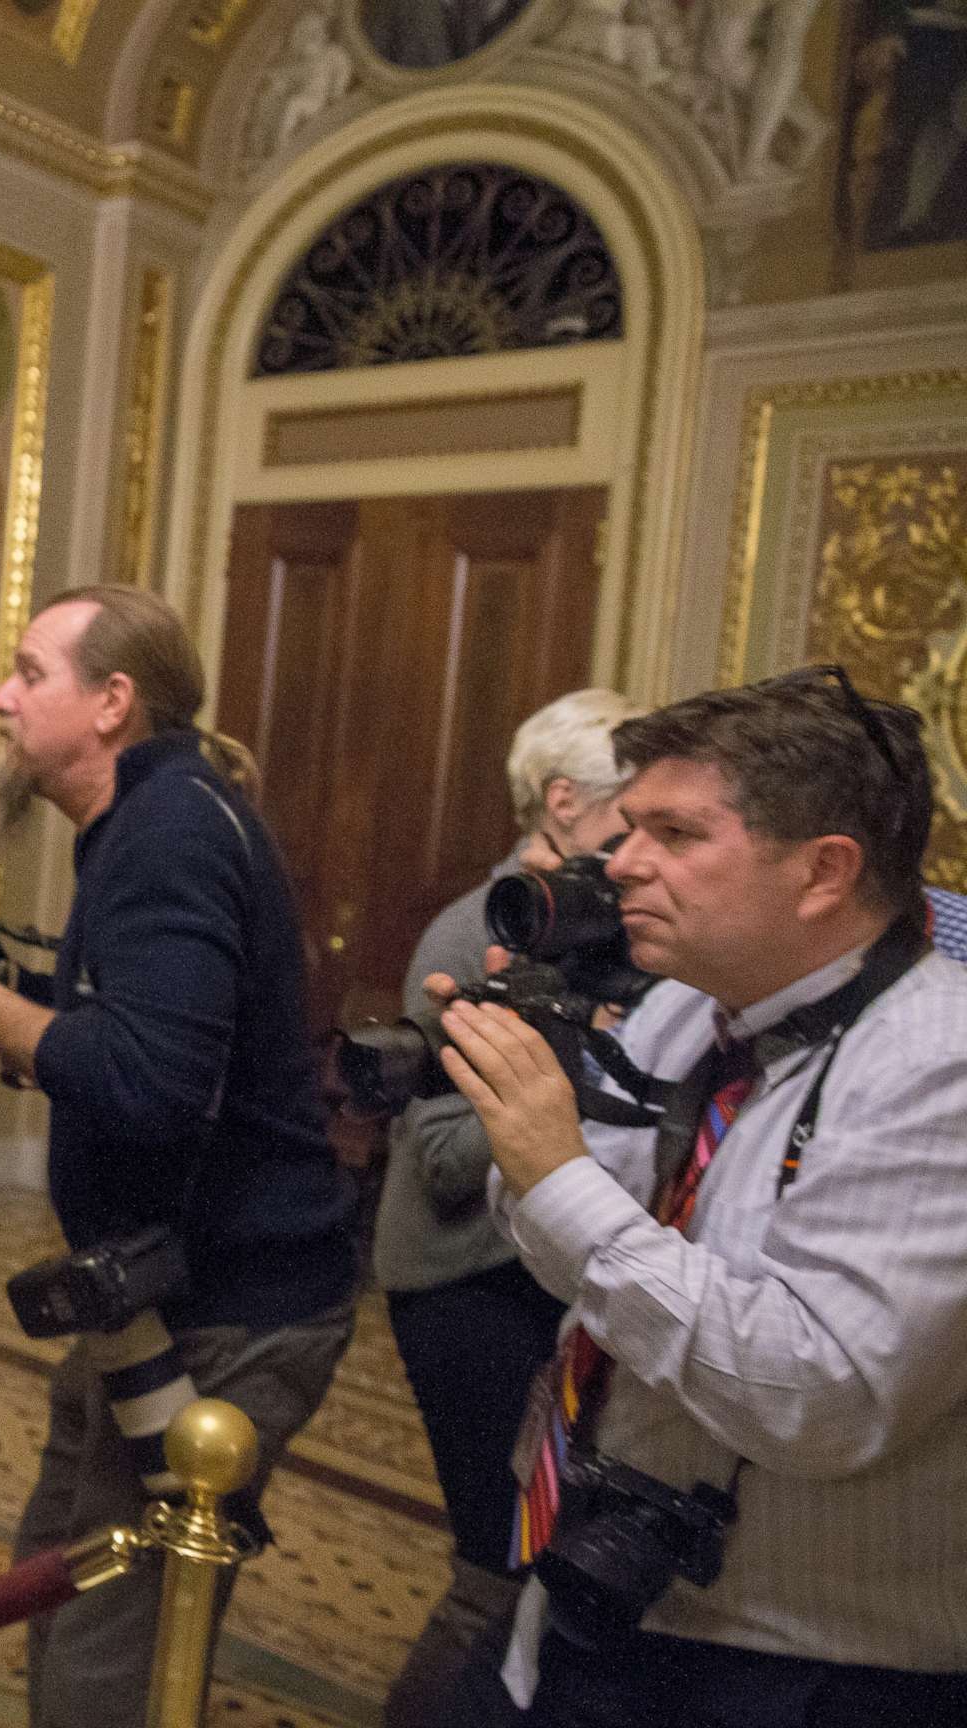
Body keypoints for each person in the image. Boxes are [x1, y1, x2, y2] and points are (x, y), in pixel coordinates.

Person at [432, 666, 967, 1726]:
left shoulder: (937, 1064)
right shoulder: (689, 1009)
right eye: (628, 829)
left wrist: (560, 1177)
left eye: (674, 837)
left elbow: (822, 1395)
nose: (620, 865)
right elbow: (567, 1251)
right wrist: (533, 1132)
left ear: (824, 872)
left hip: (807, 1666)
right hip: (597, 1588)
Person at [0, 583, 357, 1728]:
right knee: (61, 1570)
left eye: (32, 672)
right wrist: (6, 997)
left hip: (227, 1307)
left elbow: (150, 1084)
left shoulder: (172, 829)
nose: (0, 696)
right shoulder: (151, 816)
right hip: (150, 1293)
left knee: (111, 1650)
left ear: (112, 703)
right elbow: (138, 1028)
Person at [373, 687, 640, 1728]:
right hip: (460, 1286)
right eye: (635, 809)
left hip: (533, 1279)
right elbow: (440, 1155)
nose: (644, 840)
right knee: (495, 1563)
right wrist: (572, 1076)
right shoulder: (472, 932)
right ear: (564, 802)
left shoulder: (608, 926)